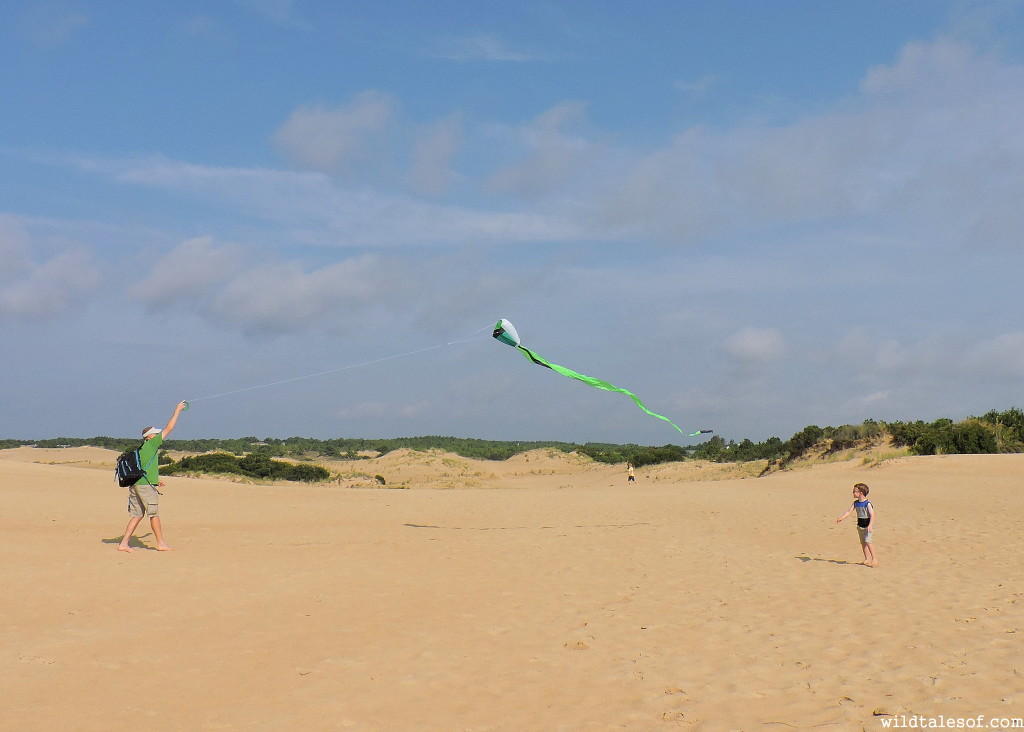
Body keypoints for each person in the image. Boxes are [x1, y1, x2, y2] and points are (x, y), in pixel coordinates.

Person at [117, 401, 188, 553]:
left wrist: (156, 480)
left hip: (136, 484)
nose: (157, 435)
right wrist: (177, 410)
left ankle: (124, 543)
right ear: (149, 437)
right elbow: (170, 427)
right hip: (143, 486)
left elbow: (143, 468)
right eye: (155, 433)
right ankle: (161, 543)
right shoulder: (151, 444)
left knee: (137, 515)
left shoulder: (142, 448)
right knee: (153, 514)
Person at [835, 482, 877, 567]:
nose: (853, 493)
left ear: (861, 493)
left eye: (855, 491)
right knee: (863, 543)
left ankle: (874, 559)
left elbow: (872, 514)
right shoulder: (855, 503)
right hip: (860, 526)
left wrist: (870, 525)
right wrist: (841, 518)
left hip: (868, 526)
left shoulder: (867, 503)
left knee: (868, 542)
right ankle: (867, 559)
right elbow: (849, 511)